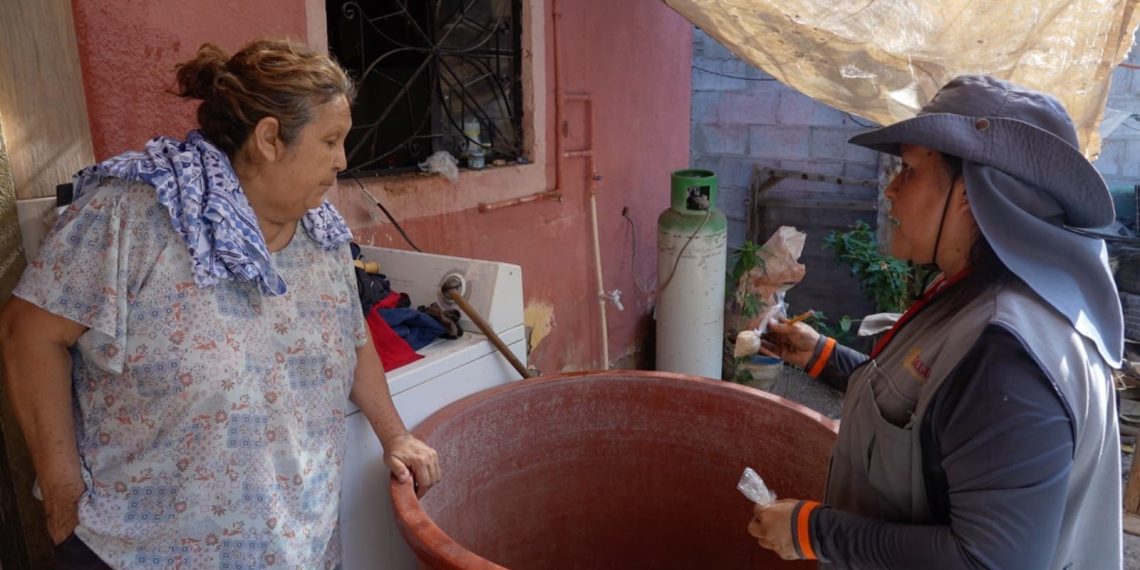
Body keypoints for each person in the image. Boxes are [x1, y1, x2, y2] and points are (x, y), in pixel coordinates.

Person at [0, 39, 440, 569]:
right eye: (330, 141)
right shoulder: (134, 217)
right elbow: (27, 335)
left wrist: (396, 436)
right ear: (271, 138)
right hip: (143, 552)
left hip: (296, 545)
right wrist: (62, 486)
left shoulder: (321, 233)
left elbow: (351, 337)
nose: (342, 161)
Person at [749, 75, 1123, 568]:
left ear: (972, 193)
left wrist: (813, 531)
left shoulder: (1007, 355)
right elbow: (934, 409)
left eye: (908, 170)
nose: (891, 189)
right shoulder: (979, 291)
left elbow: (988, 561)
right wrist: (824, 356)